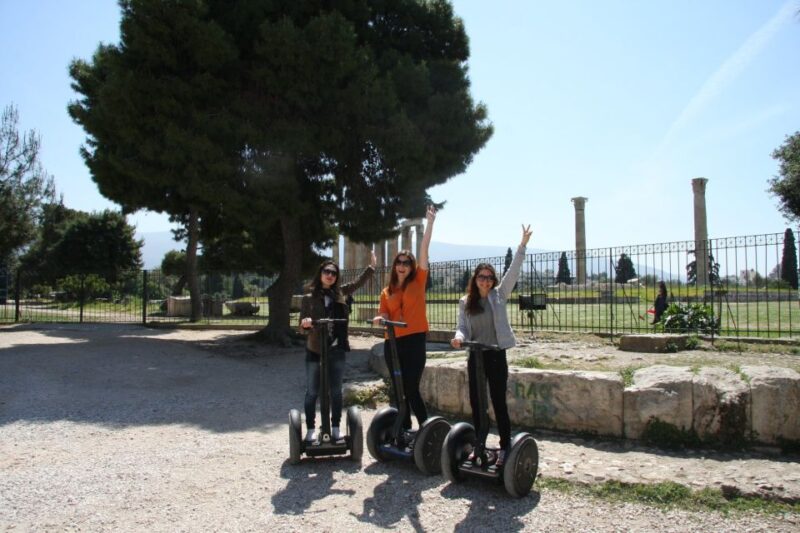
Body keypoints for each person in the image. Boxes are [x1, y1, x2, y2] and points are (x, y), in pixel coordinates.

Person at [450, 224, 533, 468]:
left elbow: (513, 272)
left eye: (489, 278)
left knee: (498, 400)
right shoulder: (465, 302)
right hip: (476, 356)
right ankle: (479, 445)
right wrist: (458, 337)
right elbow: (462, 327)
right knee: (477, 403)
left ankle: (506, 445)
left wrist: (522, 245)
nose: (485, 281)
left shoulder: (499, 295)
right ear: (475, 279)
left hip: (496, 355)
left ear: (493, 280)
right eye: (481, 277)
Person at [373, 205, 437, 438]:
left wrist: (430, 223)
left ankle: (426, 427)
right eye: (399, 262)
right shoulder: (386, 291)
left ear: (411, 267)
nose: (402, 266)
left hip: (414, 339)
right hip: (393, 342)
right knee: (398, 388)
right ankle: (404, 428)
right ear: (395, 266)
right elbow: (385, 313)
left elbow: (424, 249)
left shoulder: (419, 280)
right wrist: (381, 318)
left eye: (406, 263)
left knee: (411, 388)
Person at [299, 251, 376, 443]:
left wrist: (371, 268)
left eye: (333, 273)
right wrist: (306, 323)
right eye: (326, 272)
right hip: (315, 349)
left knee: (336, 391)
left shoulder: (340, 294)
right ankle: (310, 429)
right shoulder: (308, 298)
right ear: (320, 274)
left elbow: (357, 283)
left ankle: (335, 428)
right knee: (312, 392)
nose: (330, 275)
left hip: (336, 348)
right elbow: (301, 325)